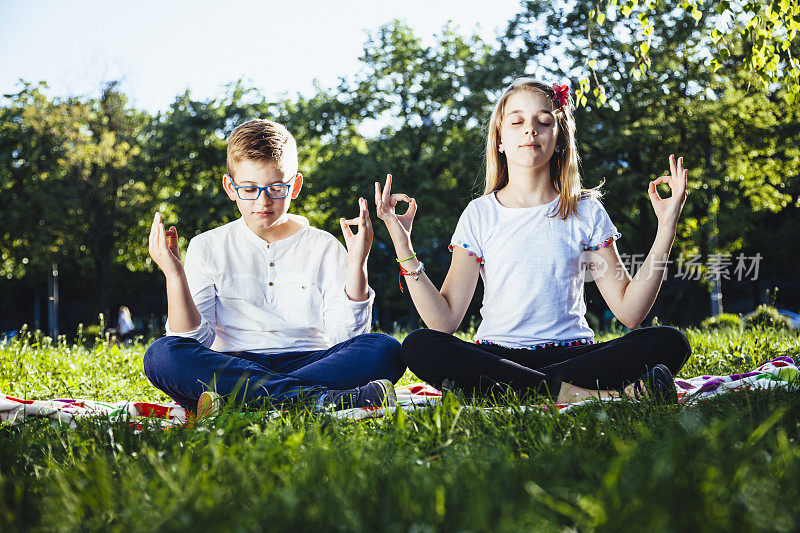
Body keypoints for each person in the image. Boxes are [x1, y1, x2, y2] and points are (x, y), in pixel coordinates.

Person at [374, 78, 691, 405]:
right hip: (497, 357)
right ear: (500, 139)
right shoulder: (479, 214)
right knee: (419, 345)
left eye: (543, 121)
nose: (530, 130)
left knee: (669, 341)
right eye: (517, 122)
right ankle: (600, 396)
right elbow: (444, 322)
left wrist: (666, 227)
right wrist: (403, 245)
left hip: (574, 356)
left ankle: (498, 391)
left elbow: (630, 312)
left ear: (560, 138)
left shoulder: (586, 210)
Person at [143, 119, 405, 413]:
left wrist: (358, 263)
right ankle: (319, 399)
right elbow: (194, 340)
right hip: (231, 363)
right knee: (162, 354)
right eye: (250, 189)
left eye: (276, 188)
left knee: (385, 349)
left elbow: (347, 337)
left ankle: (245, 401)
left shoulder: (324, 245)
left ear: (295, 186)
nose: (263, 201)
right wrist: (174, 274)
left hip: (310, 360)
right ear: (231, 187)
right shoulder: (207, 245)